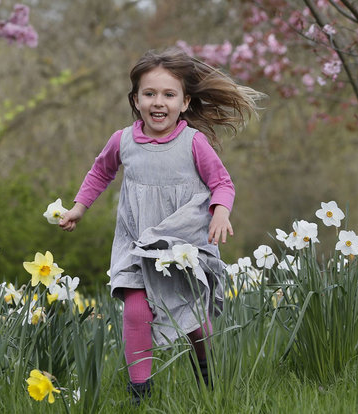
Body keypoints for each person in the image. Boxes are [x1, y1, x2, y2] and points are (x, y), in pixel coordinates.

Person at [58, 47, 264, 404]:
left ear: (185, 102)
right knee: (136, 311)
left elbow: (222, 184)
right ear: (135, 100)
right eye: (149, 93)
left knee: (196, 323)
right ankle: (140, 394)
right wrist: (79, 207)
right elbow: (100, 172)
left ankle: (212, 384)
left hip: (183, 244)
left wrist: (220, 212)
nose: (158, 102)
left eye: (169, 94)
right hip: (137, 244)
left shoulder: (194, 143)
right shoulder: (122, 141)